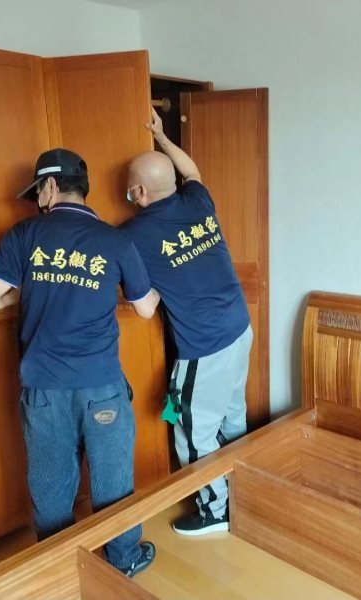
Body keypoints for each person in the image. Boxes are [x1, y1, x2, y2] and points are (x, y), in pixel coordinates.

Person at [0, 148, 158, 576]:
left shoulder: (25, 236)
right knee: (113, 480)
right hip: (101, 385)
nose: (37, 199)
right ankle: (123, 560)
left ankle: (61, 571)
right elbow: (146, 308)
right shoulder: (115, 242)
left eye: (38, 190)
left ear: (51, 186)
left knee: (51, 486)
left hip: (44, 389)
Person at [120, 109, 253, 536]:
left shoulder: (131, 237)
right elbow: (192, 170)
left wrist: (159, 280)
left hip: (205, 345)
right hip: (239, 327)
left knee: (194, 431)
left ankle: (216, 511)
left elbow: (145, 309)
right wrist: (161, 137)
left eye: (128, 189)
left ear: (139, 191)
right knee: (232, 415)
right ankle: (245, 489)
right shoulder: (196, 199)